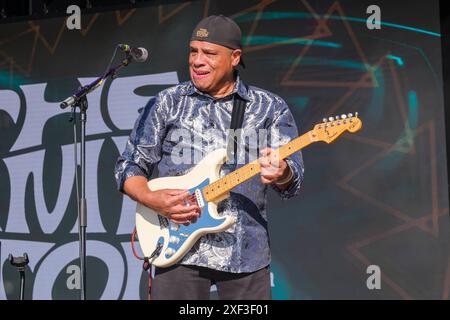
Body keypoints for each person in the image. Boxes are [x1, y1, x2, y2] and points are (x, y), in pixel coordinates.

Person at [114, 14, 304, 300]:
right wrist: (152, 199)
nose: (197, 60)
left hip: (245, 253)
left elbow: (293, 180)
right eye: (193, 51)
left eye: (210, 53)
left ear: (235, 57)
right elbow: (129, 165)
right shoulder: (167, 102)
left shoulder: (268, 107)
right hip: (177, 250)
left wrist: (283, 173)